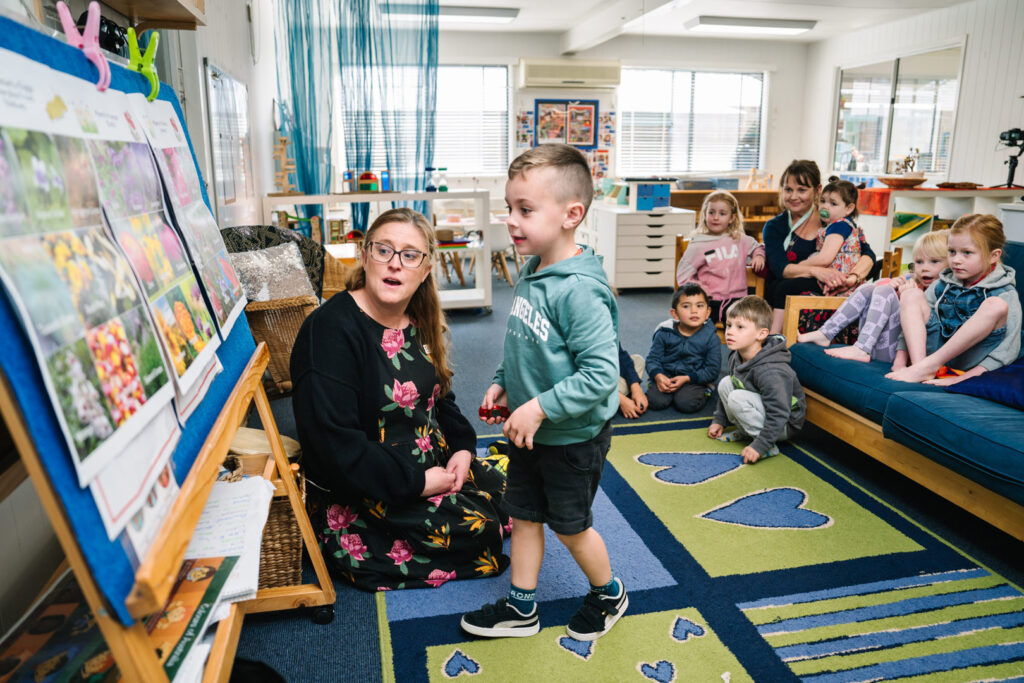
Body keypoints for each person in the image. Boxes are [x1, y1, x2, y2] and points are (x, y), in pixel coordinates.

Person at [290, 208, 509, 591]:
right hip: (367, 490)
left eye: (410, 255)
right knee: (484, 530)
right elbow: (333, 447)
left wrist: (461, 449)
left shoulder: (417, 318)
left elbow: (441, 398)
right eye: (384, 250)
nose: (395, 264)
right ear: (364, 255)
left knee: (518, 486)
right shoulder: (329, 332)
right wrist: (419, 483)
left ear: (424, 270)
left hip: (430, 461)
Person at [461, 144, 625, 642]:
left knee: (570, 527)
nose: (511, 220)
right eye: (509, 207)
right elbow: (524, 341)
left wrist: (538, 406)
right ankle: (522, 607)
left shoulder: (579, 289)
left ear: (571, 214)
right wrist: (502, 382)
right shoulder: (534, 269)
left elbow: (602, 373)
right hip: (532, 428)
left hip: (571, 435)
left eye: (525, 210)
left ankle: (609, 593)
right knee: (523, 515)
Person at [886, 214, 1021, 385]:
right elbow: (912, 323)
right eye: (952, 252)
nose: (956, 260)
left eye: (967, 253)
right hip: (932, 353)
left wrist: (962, 379)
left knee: (996, 305)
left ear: (993, 256)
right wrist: (900, 361)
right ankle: (920, 367)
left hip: (969, 361)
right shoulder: (942, 283)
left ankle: (926, 367)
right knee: (910, 294)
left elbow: (1008, 349)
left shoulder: (1005, 292)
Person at [797, 230, 949, 362]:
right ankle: (826, 333)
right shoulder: (912, 281)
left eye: (934, 261)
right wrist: (893, 288)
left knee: (885, 290)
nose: (924, 268)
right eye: (919, 262)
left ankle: (862, 348)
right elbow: (881, 293)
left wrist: (906, 297)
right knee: (869, 288)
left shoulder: (943, 290)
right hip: (884, 346)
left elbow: (930, 327)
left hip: (910, 354)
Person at [761, 160, 877, 333]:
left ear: (817, 190)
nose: (793, 196)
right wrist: (817, 271)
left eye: (801, 190)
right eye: (788, 189)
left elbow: (867, 254)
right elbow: (781, 269)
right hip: (786, 301)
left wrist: (851, 278)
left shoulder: (833, 218)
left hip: (831, 293)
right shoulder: (775, 227)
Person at [708, 296, 806, 464]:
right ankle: (748, 432)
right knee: (726, 383)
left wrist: (760, 445)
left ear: (761, 334)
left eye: (740, 327)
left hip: (784, 424)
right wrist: (719, 420)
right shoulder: (736, 355)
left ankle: (767, 444)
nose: (730, 331)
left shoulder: (771, 371)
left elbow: (779, 413)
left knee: (736, 398)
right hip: (762, 408)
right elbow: (735, 383)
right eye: (729, 325)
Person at [675, 190, 765, 322]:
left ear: (732, 218)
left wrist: (759, 256)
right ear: (705, 214)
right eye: (711, 212)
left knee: (747, 327)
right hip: (709, 301)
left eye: (722, 213)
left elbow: (758, 246)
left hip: (738, 300)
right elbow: (683, 276)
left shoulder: (739, 239)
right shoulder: (698, 244)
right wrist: (701, 288)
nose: (716, 217)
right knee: (702, 333)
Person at [645, 283, 722, 413]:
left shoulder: (711, 338)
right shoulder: (664, 332)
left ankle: (707, 390)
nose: (694, 311)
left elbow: (712, 370)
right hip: (667, 376)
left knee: (686, 404)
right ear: (674, 314)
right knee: (655, 401)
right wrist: (658, 375)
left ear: (708, 312)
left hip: (693, 379)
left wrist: (688, 378)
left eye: (700, 306)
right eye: (686, 306)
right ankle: (661, 385)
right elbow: (652, 359)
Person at [801, 177, 862, 275]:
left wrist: (799, 266)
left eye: (833, 203)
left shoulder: (839, 226)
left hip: (836, 277)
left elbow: (824, 259)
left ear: (849, 209)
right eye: (822, 201)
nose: (825, 206)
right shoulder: (844, 224)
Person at [618, 343, 648, 419]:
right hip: (590, 384)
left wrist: (635, 386)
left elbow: (620, 356)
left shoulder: (609, 331)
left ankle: (609, 401)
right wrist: (619, 399)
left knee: (638, 360)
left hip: (607, 374)